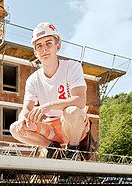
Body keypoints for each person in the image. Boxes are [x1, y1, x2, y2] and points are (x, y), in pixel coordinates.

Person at [9, 22, 90, 159]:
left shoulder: (72, 67)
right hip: (51, 130)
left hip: (73, 126)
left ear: (57, 46)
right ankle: (52, 149)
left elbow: (80, 101)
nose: (44, 49)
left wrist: (49, 106)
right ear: (35, 52)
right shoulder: (33, 80)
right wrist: (23, 119)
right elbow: (26, 109)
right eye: (39, 46)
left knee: (72, 111)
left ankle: (72, 151)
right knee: (15, 128)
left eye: (48, 43)